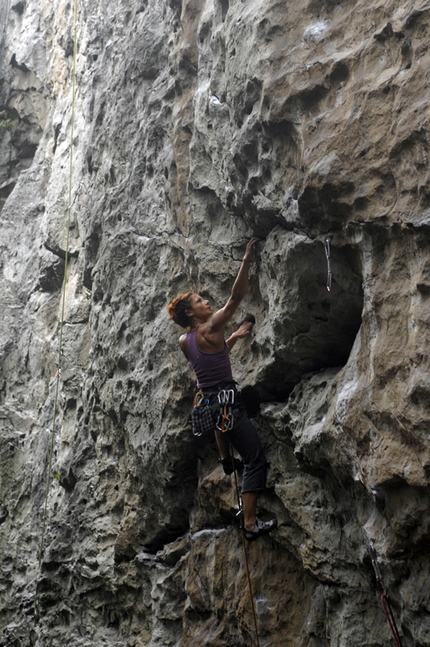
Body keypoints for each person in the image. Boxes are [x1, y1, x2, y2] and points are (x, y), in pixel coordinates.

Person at [167, 239, 277, 542]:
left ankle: (226, 458)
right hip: (228, 401)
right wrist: (246, 259)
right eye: (201, 302)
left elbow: (208, 363)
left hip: (209, 403)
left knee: (220, 419)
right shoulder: (212, 326)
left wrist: (233, 339)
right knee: (255, 459)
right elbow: (236, 298)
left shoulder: (184, 342)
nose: (208, 303)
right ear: (191, 313)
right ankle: (251, 523)